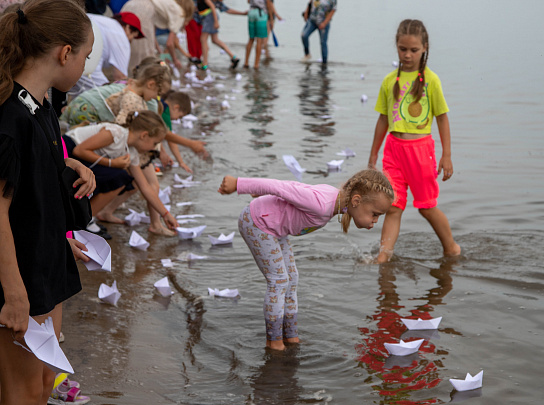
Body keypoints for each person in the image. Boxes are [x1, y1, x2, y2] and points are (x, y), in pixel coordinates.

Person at [0, 0, 96, 405]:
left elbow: (33, 181)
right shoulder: (10, 117)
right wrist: (14, 292)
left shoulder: (40, 105)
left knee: (42, 384)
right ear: (64, 52)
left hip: (45, 262)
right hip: (19, 275)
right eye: (86, 55)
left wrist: (67, 166)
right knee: (20, 395)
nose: (85, 65)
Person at [218, 169, 394, 350]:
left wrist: (261, 192)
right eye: (375, 214)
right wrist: (238, 184)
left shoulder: (337, 202)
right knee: (278, 281)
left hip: (275, 228)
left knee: (292, 278)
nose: (375, 221)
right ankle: (274, 342)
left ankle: (291, 336)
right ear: (356, 200)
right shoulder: (322, 204)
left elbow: (297, 188)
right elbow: (281, 186)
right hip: (257, 223)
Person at [368, 19, 461, 262]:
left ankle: (451, 248)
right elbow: (383, 119)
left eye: (413, 50)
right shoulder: (389, 81)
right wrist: (373, 154)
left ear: (424, 48)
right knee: (393, 207)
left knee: (426, 207)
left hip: (421, 152)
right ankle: (383, 258)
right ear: (396, 47)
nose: (407, 55)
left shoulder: (431, 80)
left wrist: (447, 155)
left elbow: (442, 118)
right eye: (402, 49)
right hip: (393, 152)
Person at [62, 110, 179, 232]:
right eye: (155, 143)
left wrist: (166, 214)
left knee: (123, 178)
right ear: (144, 135)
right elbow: (79, 151)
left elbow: (145, 186)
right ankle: (80, 220)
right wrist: (112, 163)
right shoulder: (115, 132)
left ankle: (83, 220)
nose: (154, 147)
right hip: (67, 151)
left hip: (85, 162)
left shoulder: (131, 153)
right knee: (120, 176)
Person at [69, 11, 145, 98]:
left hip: (68, 51)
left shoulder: (104, 22)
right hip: (84, 65)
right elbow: (120, 77)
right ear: (128, 28)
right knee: (106, 95)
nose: (131, 41)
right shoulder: (121, 36)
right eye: (133, 37)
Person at [121, 0, 195, 72]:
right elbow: (170, 43)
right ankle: (136, 78)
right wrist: (175, 60)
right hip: (144, 11)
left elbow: (152, 34)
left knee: (127, 45)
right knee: (144, 56)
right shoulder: (180, 13)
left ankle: (123, 73)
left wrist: (159, 51)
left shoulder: (166, 5)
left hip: (130, 4)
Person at [196, 0, 246, 70]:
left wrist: (216, 22)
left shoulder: (213, 2)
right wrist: (243, 13)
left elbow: (212, 7)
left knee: (203, 39)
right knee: (215, 40)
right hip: (210, 17)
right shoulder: (217, 3)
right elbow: (227, 10)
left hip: (209, 17)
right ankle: (233, 57)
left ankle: (205, 64)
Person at [301, 0, 336, 64]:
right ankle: (307, 54)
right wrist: (306, 12)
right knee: (304, 35)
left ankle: (324, 62)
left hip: (323, 22)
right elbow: (310, 2)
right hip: (312, 20)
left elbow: (333, 10)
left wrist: (324, 23)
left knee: (323, 42)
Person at [243, 0, 274, 70]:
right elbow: (268, 3)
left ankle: (246, 63)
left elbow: (248, 1)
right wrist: (271, 19)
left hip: (251, 12)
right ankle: (256, 64)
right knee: (259, 40)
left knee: (251, 39)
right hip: (261, 14)